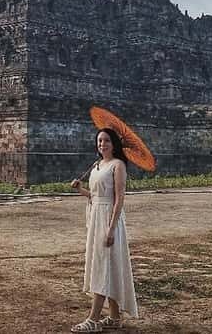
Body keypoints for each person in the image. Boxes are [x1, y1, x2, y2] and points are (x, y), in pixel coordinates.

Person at [69, 128, 139, 332]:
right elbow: (94, 196)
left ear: (114, 143)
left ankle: (93, 319)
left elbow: (119, 199)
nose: (102, 144)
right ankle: (115, 317)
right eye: (99, 141)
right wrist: (80, 189)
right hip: (96, 217)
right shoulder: (96, 165)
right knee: (107, 264)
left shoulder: (118, 165)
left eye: (106, 140)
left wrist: (111, 229)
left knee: (103, 264)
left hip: (110, 219)